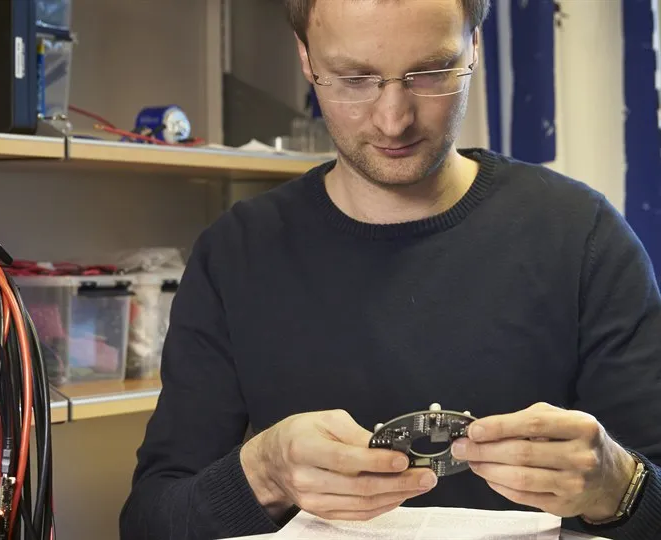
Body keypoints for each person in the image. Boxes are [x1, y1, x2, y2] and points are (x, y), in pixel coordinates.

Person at [118, 0, 661, 539]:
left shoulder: (583, 236)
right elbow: (149, 521)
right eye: (354, 79)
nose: (393, 120)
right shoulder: (235, 253)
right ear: (307, 59)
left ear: (474, 46)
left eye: (430, 73)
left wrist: (618, 485)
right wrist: (264, 472)